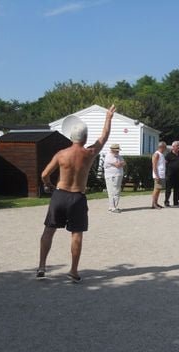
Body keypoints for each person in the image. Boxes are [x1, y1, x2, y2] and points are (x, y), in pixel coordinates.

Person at [37, 105, 116, 282]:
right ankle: (73, 270)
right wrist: (108, 118)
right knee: (76, 234)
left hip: (60, 195)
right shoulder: (89, 153)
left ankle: (42, 266)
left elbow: (44, 174)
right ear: (85, 137)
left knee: (49, 230)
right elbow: (104, 137)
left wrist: (48, 184)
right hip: (77, 197)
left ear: (71, 137)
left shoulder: (61, 154)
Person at [104, 143, 126, 213]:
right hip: (111, 176)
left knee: (117, 191)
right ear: (112, 150)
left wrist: (120, 164)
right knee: (112, 191)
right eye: (116, 150)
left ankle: (113, 206)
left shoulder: (119, 156)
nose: (118, 152)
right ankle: (113, 207)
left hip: (118, 175)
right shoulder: (109, 156)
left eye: (118, 150)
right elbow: (117, 165)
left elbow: (124, 163)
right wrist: (120, 164)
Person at [164, 140, 179, 206]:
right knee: (168, 189)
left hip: (178, 175)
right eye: (177, 146)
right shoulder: (168, 155)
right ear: (173, 147)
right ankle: (166, 201)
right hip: (170, 175)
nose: (178, 147)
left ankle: (176, 202)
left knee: (177, 189)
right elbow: (165, 164)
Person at [151, 141, 167, 209]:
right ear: (162, 147)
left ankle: (156, 203)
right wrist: (156, 175)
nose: (166, 149)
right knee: (156, 189)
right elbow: (154, 166)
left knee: (159, 189)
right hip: (158, 175)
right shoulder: (156, 154)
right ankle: (154, 204)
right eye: (165, 147)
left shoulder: (161, 154)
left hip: (161, 175)